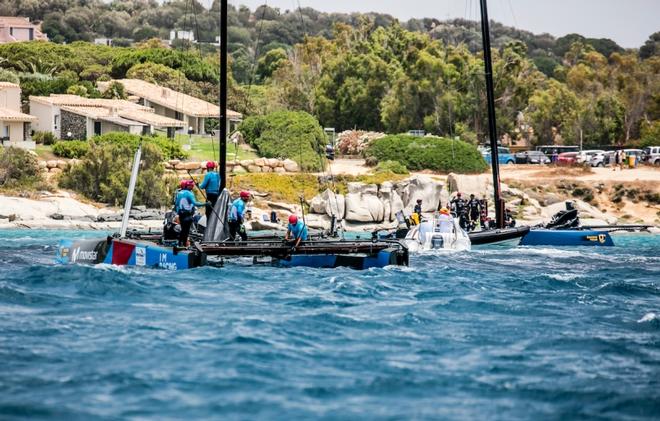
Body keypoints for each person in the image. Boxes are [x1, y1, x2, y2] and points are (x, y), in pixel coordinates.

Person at [175, 179, 206, 247]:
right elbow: (195, 203)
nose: (192, 186)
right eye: (191, 186)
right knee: (186, 231)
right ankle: (183, 245)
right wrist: (205, 204)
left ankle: (180, 243)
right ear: (187, 186)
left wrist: (178, 213)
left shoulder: (179, 193)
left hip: (181, 214)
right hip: (187, 215)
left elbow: (177, 204)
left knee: (183, 230)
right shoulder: (189, 193)